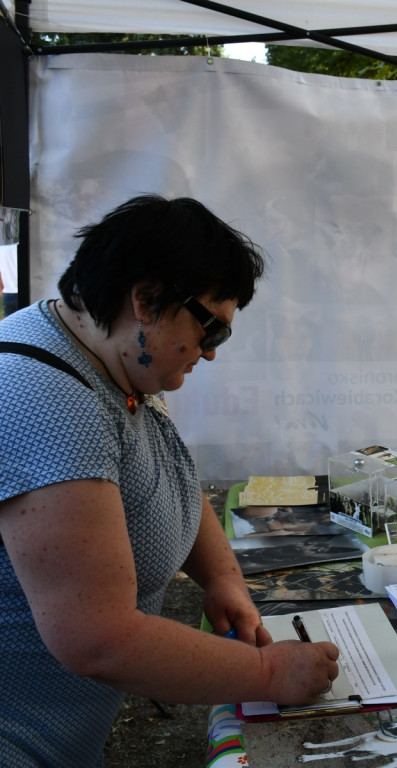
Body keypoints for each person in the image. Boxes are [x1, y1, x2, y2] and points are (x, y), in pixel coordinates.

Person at [0, 195, 340, 766]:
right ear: (148, 300)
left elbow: (166, 472)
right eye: (212, 330)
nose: (209, 353)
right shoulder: (47, 399)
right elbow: (98, 640)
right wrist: (268, 673)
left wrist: (223, 577)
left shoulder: (102, 352)